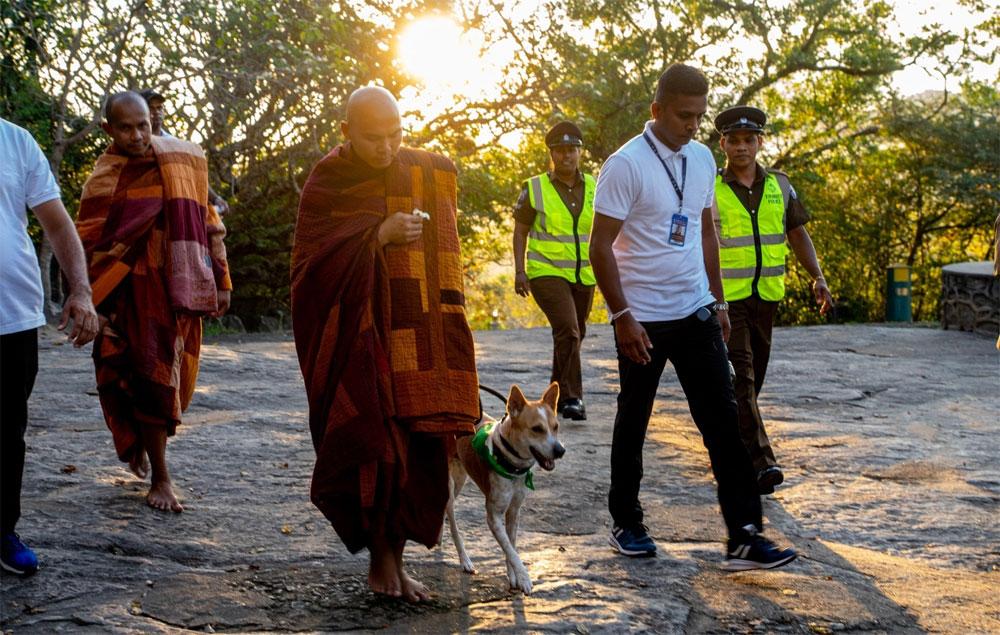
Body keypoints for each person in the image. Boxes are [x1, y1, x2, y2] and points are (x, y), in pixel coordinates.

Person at [590, 64, 796, 570]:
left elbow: (705, 233)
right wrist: (622, 315)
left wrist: (718, 302)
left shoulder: (701, 158)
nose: (693, 125)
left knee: (725, 421)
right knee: (634, 420)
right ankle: (626, 522)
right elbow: (599, 246)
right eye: (684, 115)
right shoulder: (626, 165)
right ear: (656, 110)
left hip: (695, 310)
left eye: (699, 116)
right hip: (642, 318)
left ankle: (744, 534)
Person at [291, 86, 480, 601]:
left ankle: (397, 562)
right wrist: (377, 235)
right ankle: (380, 562)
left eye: (396, 134)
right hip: (357, 337)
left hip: (412, 335)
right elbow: (311, 270)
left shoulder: (418, 172)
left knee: (414, 447)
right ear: (346, 132)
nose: (387, 147)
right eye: (374, 138)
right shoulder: (329, 182)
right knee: (374, 445)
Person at [75, 91, 231, 513]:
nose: (137, 135)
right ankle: (161, 475)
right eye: (125, 128)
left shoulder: (184, 161)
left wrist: (221, 279)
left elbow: (209, 221)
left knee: (162, 377)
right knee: (134, 374)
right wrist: (90, 299)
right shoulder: (105, 176)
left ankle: (150, 453)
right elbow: (89, 239)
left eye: (143, 125)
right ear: (108, 129)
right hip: (125, 293)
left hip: (174, 286)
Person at [713, 105, 834, 494]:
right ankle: (762, 463)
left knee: (751, 382)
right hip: (727, 301)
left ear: (760, 143)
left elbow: (797, 234)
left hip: (767, 297)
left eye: (749, 140)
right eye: (734, 140)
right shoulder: (709, 188)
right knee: (743, 378)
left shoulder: (780, 186)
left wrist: (817, 277)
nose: (742, 147)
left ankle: (730, 443)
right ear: (723, 145)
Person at [1, 117, 99, 575]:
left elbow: (58, 225)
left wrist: (81, 291)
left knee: (6, 431)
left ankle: (2, 531)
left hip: (11, 315)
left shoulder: (16, 141)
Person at [512, 121, 596, 421]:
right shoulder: (534, 187)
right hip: (545, 271)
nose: (566, 156)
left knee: (573, 335)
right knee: (569, 331)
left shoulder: (595, 186)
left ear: (580, 152)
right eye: (560, 150)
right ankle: (572, 398)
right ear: (551, 154)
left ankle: (552, 400)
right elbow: (520, 231)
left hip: (584, 275)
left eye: (572, 150)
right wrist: (520, 271)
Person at [138, 88, 231, 216]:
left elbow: (194, 175)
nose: (156, 112)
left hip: (174, 210)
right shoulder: (136, 143)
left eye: (159, 108)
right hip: (145, 209)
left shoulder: (174, 143)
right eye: (151, 109)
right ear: (141, 111)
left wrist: (216, 199)